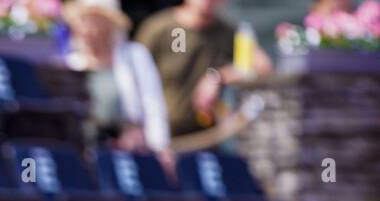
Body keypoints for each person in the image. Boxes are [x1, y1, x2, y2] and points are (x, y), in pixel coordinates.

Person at [135, 0, 271, 140]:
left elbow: (262, 67)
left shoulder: (226, 32)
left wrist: (217, 77)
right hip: (157, 135)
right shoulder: (158, 28)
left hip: (203, 136)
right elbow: (131, 74)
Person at [64, 0, 172, 161]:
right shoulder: (71, 62)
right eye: (83, 21)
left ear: (109, 25)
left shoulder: (135, 56)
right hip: (85, 152)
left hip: (130, 150)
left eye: (94, 22)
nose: (87, 29)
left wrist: (160, 146)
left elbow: (153, 103)